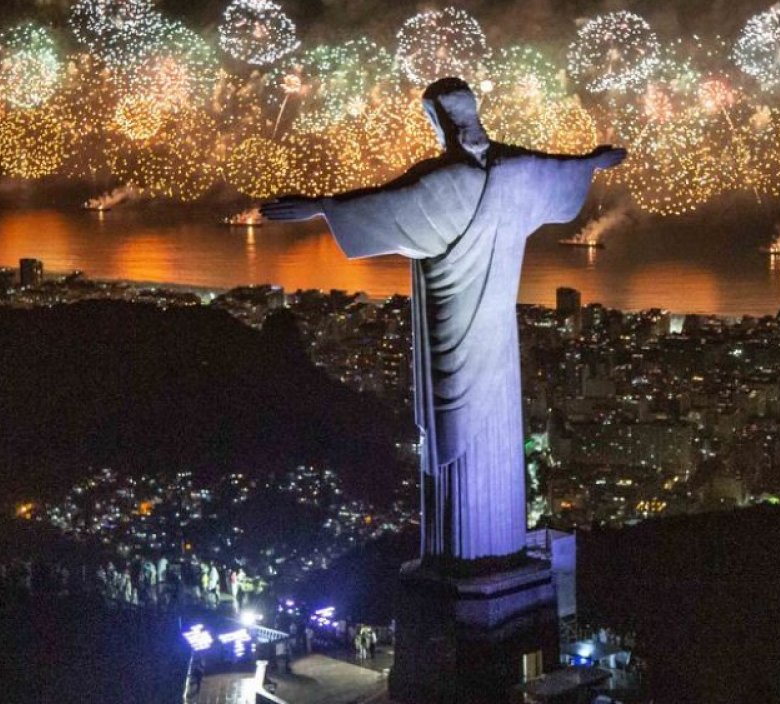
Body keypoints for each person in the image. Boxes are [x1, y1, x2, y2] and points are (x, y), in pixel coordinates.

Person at [261, 78, 625, 561]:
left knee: (453, 436)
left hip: (450, 323)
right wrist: (592, 164)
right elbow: (558, 170)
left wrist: (321, 208)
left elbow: (383, 206)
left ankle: (461, 555)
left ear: (437, 121)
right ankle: (498, 547)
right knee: (494, 429)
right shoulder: (516, 169)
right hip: (498, 336)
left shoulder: (442, 182)